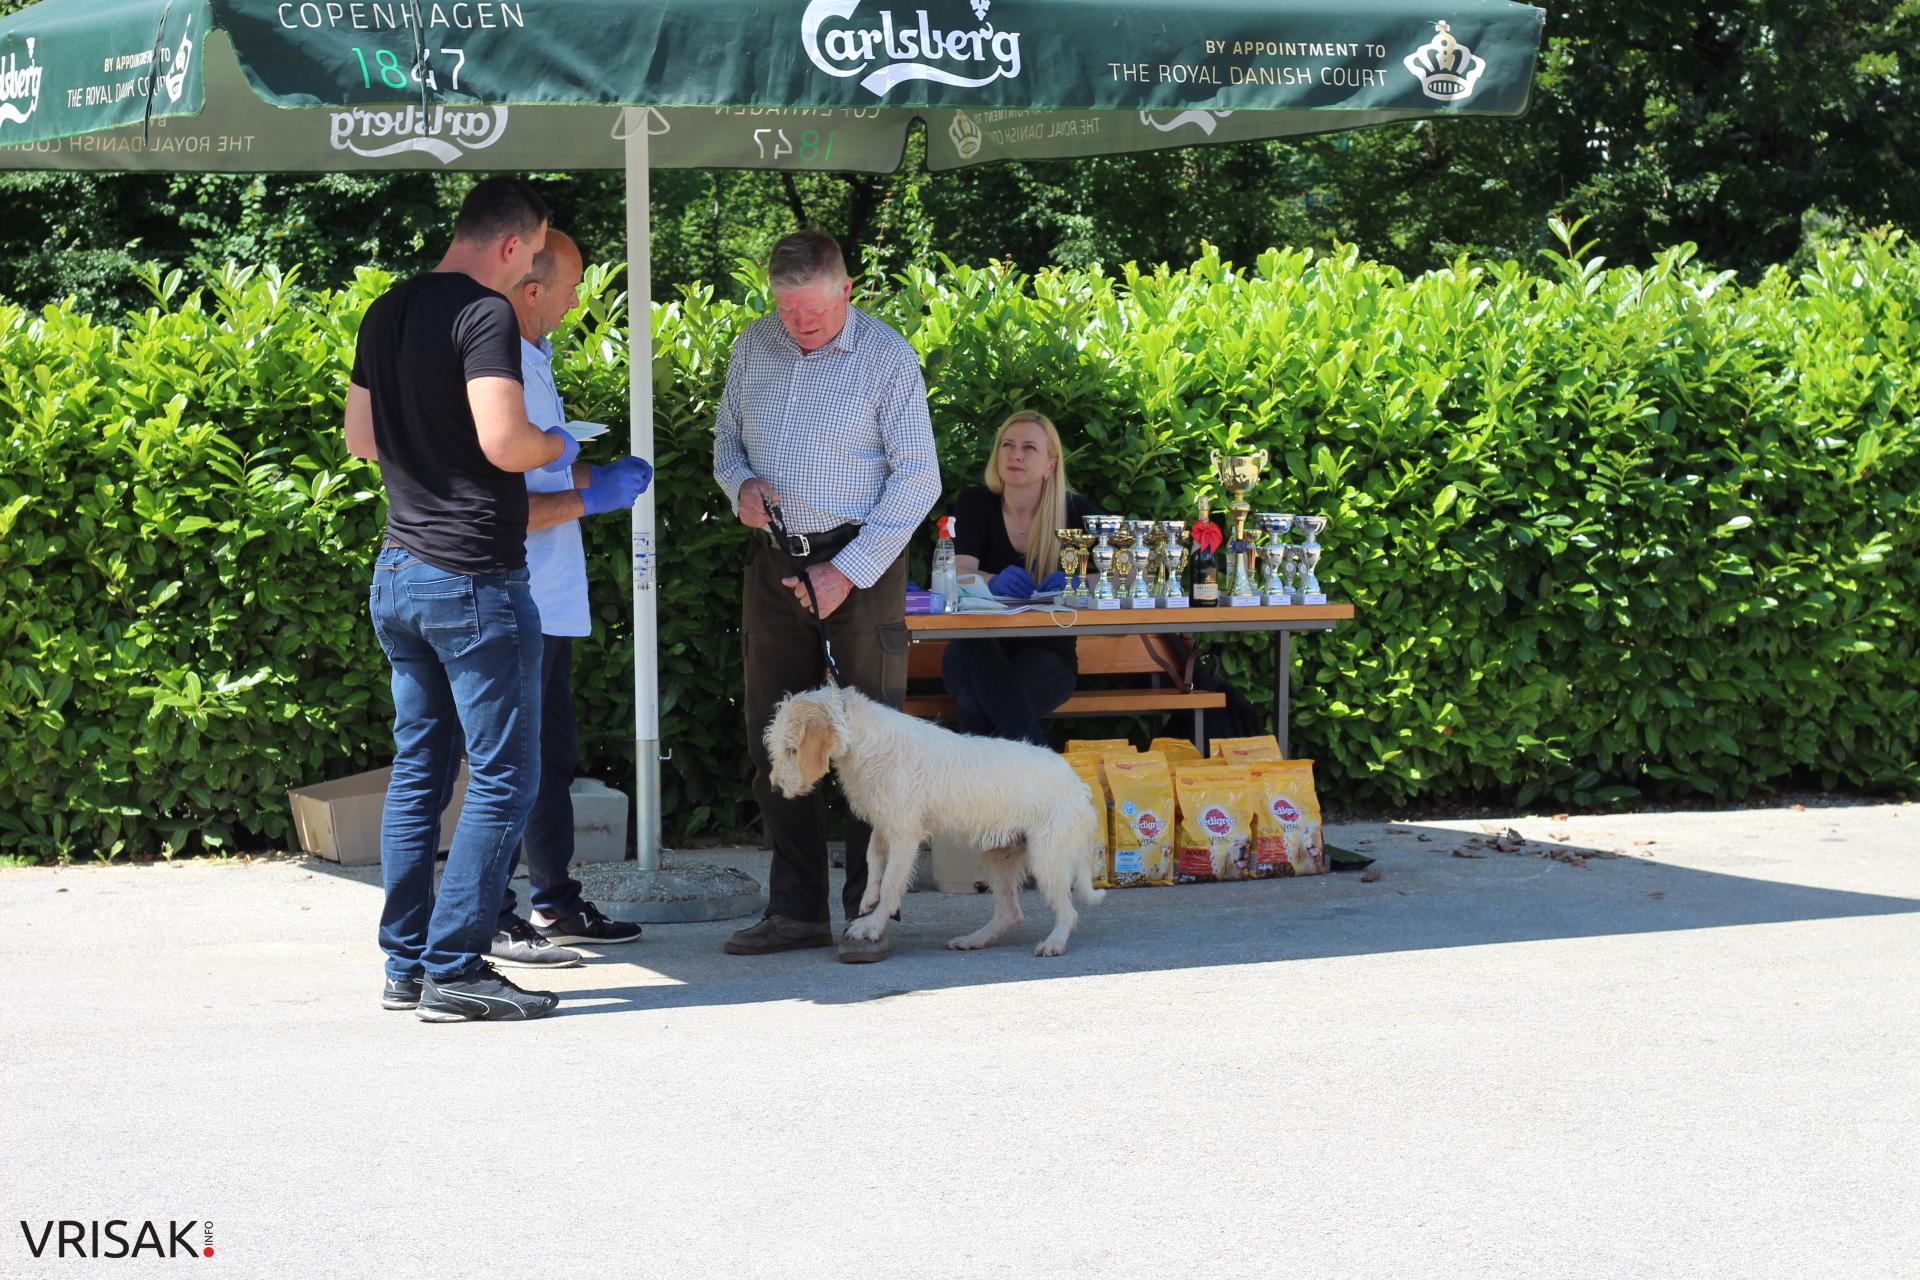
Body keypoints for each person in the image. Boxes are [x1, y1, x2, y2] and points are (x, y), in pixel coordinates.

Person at [345, 176, 578, 1023]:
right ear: (514, 246)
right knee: (506, 776)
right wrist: (559, 440)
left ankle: (406, 964)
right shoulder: (484, 316)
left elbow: (361, 438)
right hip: (474, 577)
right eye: (534, 256)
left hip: (400, 571)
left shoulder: (387, 310)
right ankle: (455, 967)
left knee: (418, 775)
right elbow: (505, 441)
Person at [711, 228, 940, 964]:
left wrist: (850, 570)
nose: (800, 324)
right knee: (778, 738)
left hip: (860, 564)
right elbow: (725, 442)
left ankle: (868, 913)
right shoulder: (754, 348)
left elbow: (918, 479)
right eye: (787, 309)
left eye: (813, 309)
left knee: (871, 748)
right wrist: (739, 485)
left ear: (848, 289)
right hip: (775, 563)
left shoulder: (887, 358)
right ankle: (796, 909)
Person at [484, 229, 653, 969]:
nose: (580, 300)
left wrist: (597, 480)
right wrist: (595, 497)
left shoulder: (534, 360)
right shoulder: (498, 370)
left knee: (551, 758)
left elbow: (547, 481)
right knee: (510, 764)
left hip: (548, 597)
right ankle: (492, 914)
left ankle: (553, 899)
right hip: (511, 592)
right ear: (531, 289)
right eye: (572, 286)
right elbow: (504, 504)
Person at [944, 410, 1094, 745]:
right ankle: (1041, 767)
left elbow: (1114, 578)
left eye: (1029, 448)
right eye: (1007, 445)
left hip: (1047, 651)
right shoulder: (976, 503)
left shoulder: (1075, 510)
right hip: (976, 647)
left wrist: (1075, 582)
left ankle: (983, 795)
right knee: (977, 650)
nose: (1015, 454)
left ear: (1050, 465)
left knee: (974, 705)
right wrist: (991, 581)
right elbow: (957, 573)